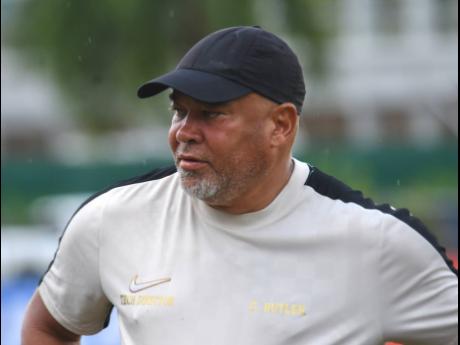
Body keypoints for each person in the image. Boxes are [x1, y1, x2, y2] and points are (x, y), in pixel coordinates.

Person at [22, 26, 457, 345]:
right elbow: (48, 326)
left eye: (211, 114)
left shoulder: (374, 242)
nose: (184, 132)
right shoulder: (114, 218)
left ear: (280, 125)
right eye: (179, 112)